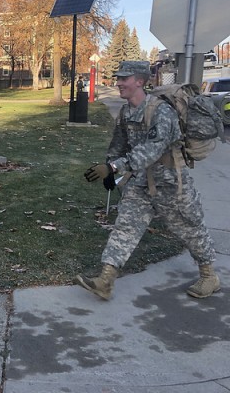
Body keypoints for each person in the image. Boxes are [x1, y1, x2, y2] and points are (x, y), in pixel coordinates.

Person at [76, 60, 220, 300]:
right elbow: (119, 145)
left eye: (124, 79)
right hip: (142, 182)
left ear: (140, 81)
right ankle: (106, 280)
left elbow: (152, 150)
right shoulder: (126, 112)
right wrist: (111, 172)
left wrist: (113, 166)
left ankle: (208, 275)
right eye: (118, 78)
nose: (119, 82)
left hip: (172, 183)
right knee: (126, 226)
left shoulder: (161, 111)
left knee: (189, 229)